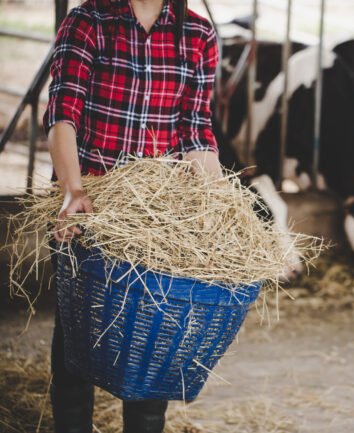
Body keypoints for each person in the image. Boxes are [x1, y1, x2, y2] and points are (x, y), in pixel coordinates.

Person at [44, 0, 222, 430]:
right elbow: (62, 116)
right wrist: (74, 191)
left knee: (154, 334)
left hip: (158, 216)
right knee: (77, 331)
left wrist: (219, 204)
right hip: (90, 201)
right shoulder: (89, 21)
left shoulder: (198, 34)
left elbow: (195, 129)